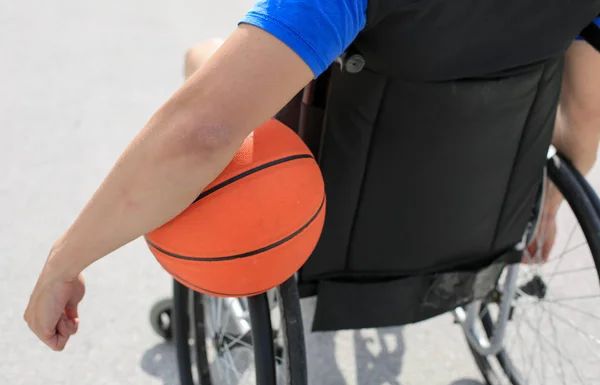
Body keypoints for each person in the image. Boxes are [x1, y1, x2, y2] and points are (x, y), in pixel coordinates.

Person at [24, 0, 600, 351]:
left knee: (204, 57)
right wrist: (545, 200)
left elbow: (201, 136)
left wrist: (65, 260)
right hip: (483, 219)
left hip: (324, 228)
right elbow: (583, 116)